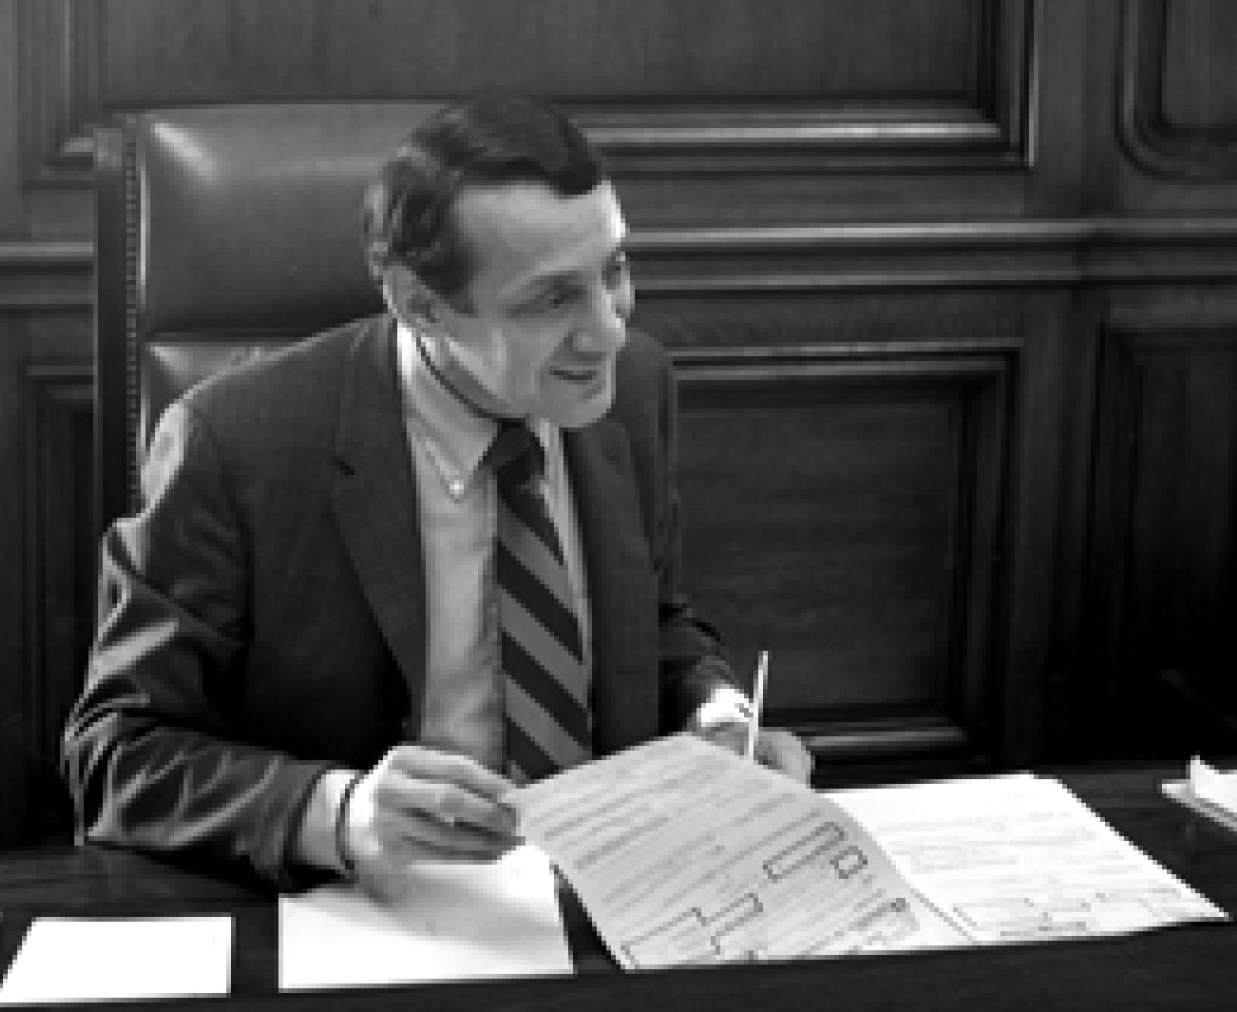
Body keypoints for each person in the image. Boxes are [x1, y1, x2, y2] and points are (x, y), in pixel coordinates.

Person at [61, 95, 811, 889]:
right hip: (368, 913)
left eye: (615, 270)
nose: (611, 331)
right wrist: (341, 813)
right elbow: (117, 754)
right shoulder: (232, 443)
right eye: (553, 298)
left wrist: (716, 713)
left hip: (607, 898)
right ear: (420, 304)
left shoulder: (632, 388)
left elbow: (650, 621)